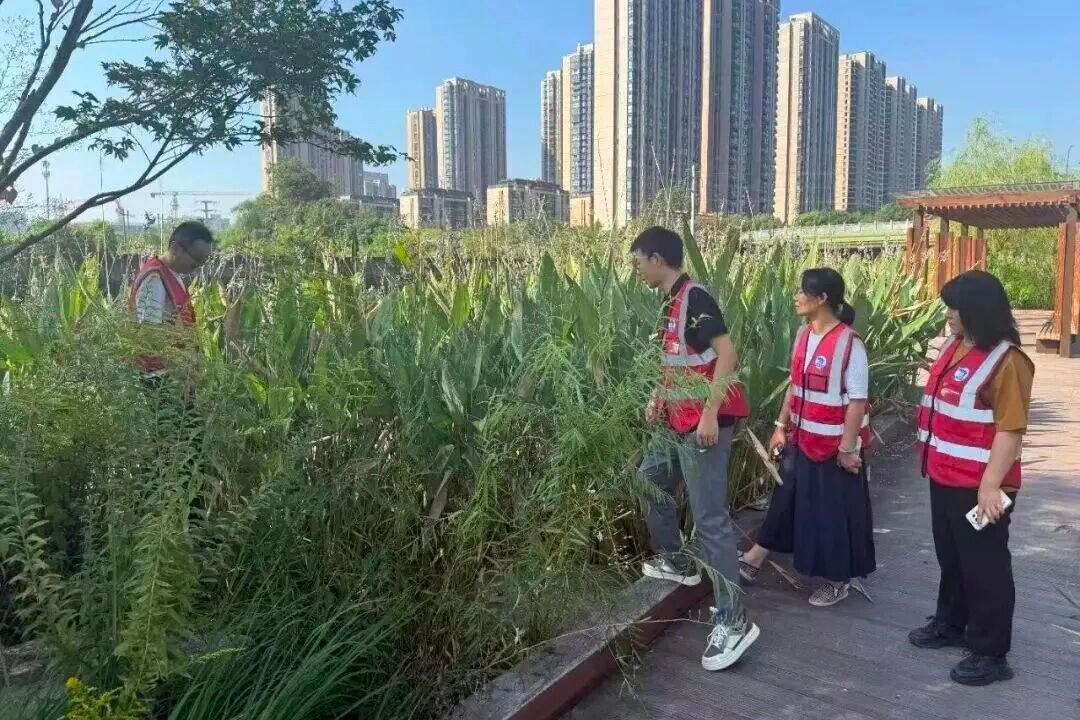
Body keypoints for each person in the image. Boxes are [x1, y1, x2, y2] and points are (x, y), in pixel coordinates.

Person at [631, 226, 758, 672]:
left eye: (638, 261)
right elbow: (677, 360)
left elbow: (727, 355)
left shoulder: (696, 298)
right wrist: (657, 395)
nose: (636, 270)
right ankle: (676, 560)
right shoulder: (669, 302)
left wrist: (710, 412)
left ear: (657, 259)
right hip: (675, 417)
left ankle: (734, 620)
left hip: (703, 423)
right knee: (648, 480)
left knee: (709, 520)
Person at [908, 270, 1032, 687]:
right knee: (952, 557)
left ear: (977, 311)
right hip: (945, 476)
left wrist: (990, 486)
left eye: (954, 308)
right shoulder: (955, 346)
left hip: (983, 487)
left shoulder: (1008, 362)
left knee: (985, 567)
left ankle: (991, 652)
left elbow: (1010, 430)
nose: (948, 315)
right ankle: (951, 623)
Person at [739, 268, 876, 608]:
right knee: (785, 498)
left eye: (803, 291)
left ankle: (838, 581)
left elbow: (857, 401)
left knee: (831, 513)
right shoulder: (803, 335)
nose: (796, 297)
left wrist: (847, 449)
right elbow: (795, 385)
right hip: (800, 439)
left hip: (832, 447)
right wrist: (780, 426)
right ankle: (755, 558)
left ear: (822, 298)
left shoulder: (850, 344)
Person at [128, 221, 213, 377]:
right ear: (175, 248)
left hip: (171, 371)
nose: (199, 265)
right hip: (157, 376)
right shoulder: (154, 279)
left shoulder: (171, 274)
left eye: (204, 260)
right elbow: (149, 334)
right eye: (196, 258)